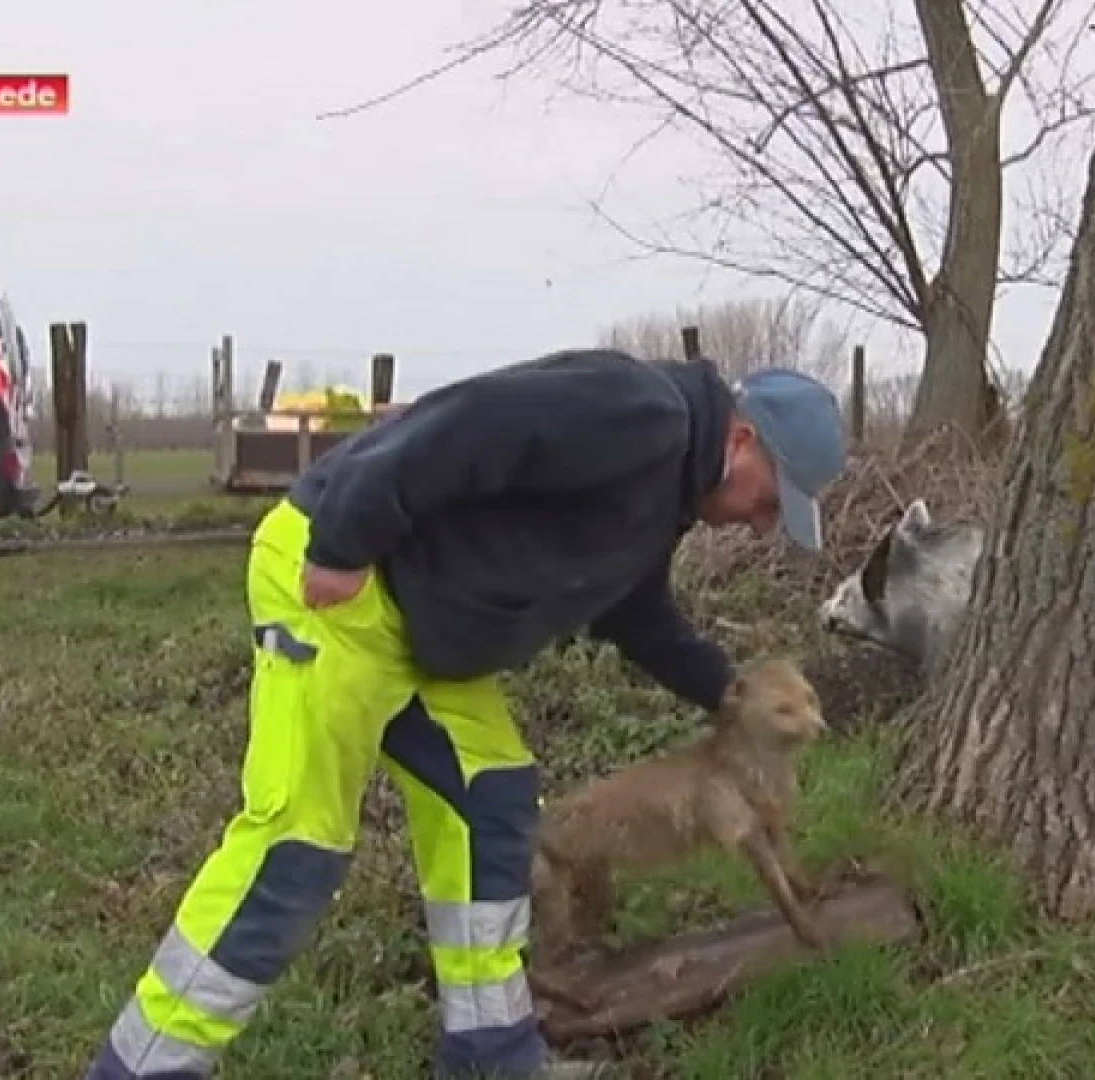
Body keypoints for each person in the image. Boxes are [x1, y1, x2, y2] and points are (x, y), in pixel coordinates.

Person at [84, 347, 848, 1080]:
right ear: (742, 440)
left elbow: (634, 610)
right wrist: (346, 540)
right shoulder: (639, 414)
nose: (760, 524)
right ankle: (146, 1065)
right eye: (769, 500)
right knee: (298, 845)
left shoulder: (662, 498)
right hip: (342, 583)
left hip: (422, 634)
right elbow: (464, 425)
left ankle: (491, 1049)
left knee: (493, 801)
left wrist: (724, 691)